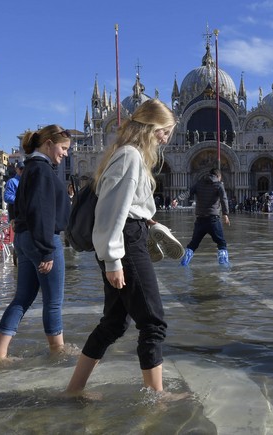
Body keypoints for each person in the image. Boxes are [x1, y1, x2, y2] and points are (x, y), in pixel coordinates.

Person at [65, 99, 177, 395]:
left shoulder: (130, 155)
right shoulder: (129, 156)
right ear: (151, 128)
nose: (166, 139)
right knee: (153, 322)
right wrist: (113, 259)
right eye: (165, 132)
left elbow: (126, 206)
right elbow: (109, 213)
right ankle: (157, 398)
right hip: (125, 243)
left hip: (129, 236)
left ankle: (75, 389)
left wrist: (148, 222)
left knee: (114, 323)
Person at [0, 125, 72, 363]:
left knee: (23, 297)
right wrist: (47, 250)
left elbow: (20, 207)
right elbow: (42, 211)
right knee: (53, 302)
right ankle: (57, 352)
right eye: (63, 148)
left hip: (25, 238)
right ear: (48, 144)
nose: (65, 154)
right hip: (42, 240)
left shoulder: (29, 169)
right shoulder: (43, 170)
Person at [179, 167, 231, 266]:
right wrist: (225, 214)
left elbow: (188, 192)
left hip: (200, 220)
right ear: (218, 176)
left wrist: (177, 199)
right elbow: (224, 199)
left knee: (193, 244)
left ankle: (183, 263)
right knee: (221, 243)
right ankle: (224, 266)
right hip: (213, 220)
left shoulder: (199, 184)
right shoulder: (219, 185)